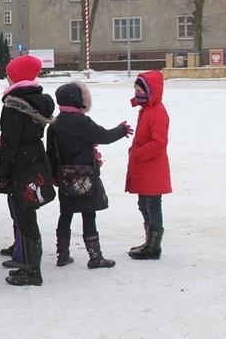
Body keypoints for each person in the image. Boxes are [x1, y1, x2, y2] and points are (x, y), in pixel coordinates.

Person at [47, 81, 133, 270]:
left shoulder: (55, 124)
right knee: (88, 214)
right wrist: (122, 130)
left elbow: (51, 153)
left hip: (65, 177)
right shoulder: (82, 121)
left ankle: (62, 254)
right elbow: (104, 136)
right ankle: (95, 257)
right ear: (78, 100)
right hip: (85, 176)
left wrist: (54, 176)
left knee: (66, 214)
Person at [0, 55, 54, 287]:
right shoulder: (38, 102)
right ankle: (29, 264)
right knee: (29, 215)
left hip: (20, 166)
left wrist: (1, 173)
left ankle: (32, 271)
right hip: (35, 161)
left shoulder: (13, 106)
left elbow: (10, 144)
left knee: (25, 217)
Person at [126, 70, 171, 260]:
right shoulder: (146, 110)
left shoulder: (158, 112)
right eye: (135, 90)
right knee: (143, 205)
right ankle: (149, 242)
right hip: (144, 168)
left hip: (152, 168)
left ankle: (153, 247)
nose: (136, 93)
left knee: (153, 205)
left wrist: (138, 153)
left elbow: (159, 143)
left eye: (139, 90)